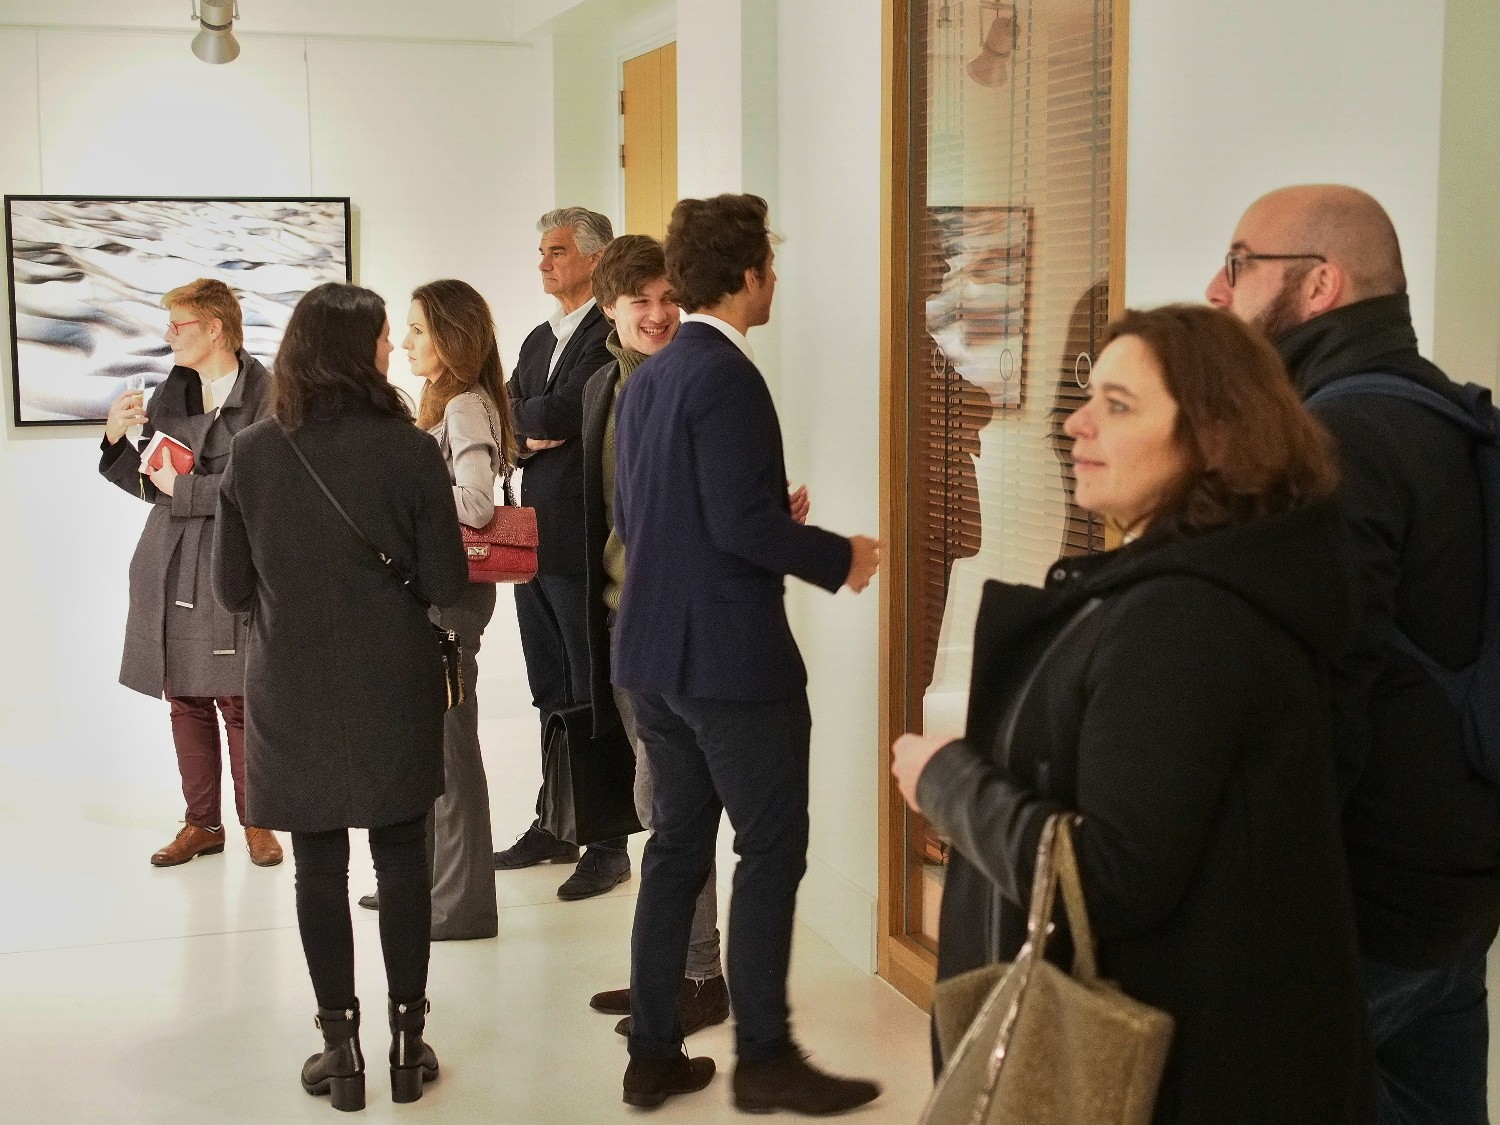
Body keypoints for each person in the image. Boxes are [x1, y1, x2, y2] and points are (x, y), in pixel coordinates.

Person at [893, 304, 1376, 1124]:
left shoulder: (1187, 616)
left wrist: (948, 781)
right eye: (1090, 397)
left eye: (1117, 405)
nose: (1075, 423)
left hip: (1190, 1078)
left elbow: (1110, 876)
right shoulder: (1202, 586)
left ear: (1216, 438)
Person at [1206, 184, 1500, 1125]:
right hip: (1456, 895)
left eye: (1240, 262)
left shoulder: (1334, 440)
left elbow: (1316, 694)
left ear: (1320, 284)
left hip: (1359, 911)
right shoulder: (1448, 414)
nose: (1217, 288)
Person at [612, 194, 883, 1114]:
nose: (775, 279)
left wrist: (765, 517)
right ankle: (765, 1058)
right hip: (727, 659)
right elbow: (736, 525)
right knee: (770, 849)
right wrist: (841, 556)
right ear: (749, 275)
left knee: (676, 847)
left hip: (651, 651)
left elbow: (642, 518)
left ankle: (653, 1054)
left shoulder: (650, 377)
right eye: (770, 265)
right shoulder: (728, 375)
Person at [213, 283, 469, 1111]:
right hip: (393, 679)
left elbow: (231, 589)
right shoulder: (410, 450)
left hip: (291, 686)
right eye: (384, 337)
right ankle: (406, 1044)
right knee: (402, 856)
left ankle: (342, 1050)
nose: (393, 349)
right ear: (357, 351)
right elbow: (446, 581)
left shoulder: (252, 453)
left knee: (317, 865)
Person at [578, 236, 730, 1038]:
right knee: (654, 800)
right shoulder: (605, 384)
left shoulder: (701, 381)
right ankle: (667, 966)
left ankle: (699, 975)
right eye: (641, 299)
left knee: (676, 806)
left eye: (670, 296)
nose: (659, 312)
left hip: (682, 624)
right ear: (609, 307)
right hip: (623, 617)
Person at [99, 277, 281, 869]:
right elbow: (152, 488)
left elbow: (265, 488)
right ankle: (202, 824)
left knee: (241, 698)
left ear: (216, 328)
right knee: (184, 697)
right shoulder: (171, 392)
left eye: (179, 325)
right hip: (171, 558)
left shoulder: (269, 393)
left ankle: (258, 821)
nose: (169, 335)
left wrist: (186, 489)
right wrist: (115, 440)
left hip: (234, 559)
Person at [354, 280, 518, 941]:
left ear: (451, 337)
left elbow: (475, 503)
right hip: (435, 595)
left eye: (419, 329)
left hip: (452, 601)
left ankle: (463, 905)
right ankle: (423, 886)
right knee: (426, 746)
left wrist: (403, 486)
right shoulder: (443, 402)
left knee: (450, 750)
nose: (405, 342)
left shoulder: (467, 405)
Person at [494, 207, 630, 902]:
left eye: (556, 251)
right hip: (533, 543)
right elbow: (510, 415)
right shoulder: (538, 337)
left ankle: (607, 843)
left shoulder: (610, 336)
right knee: (550, 687)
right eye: (542, 251)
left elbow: (564, 414)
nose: (543, 263)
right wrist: (528, 425)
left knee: (590, 690)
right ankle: (557, 823)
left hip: (583, 540)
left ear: (594, 259)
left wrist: (534, 421)